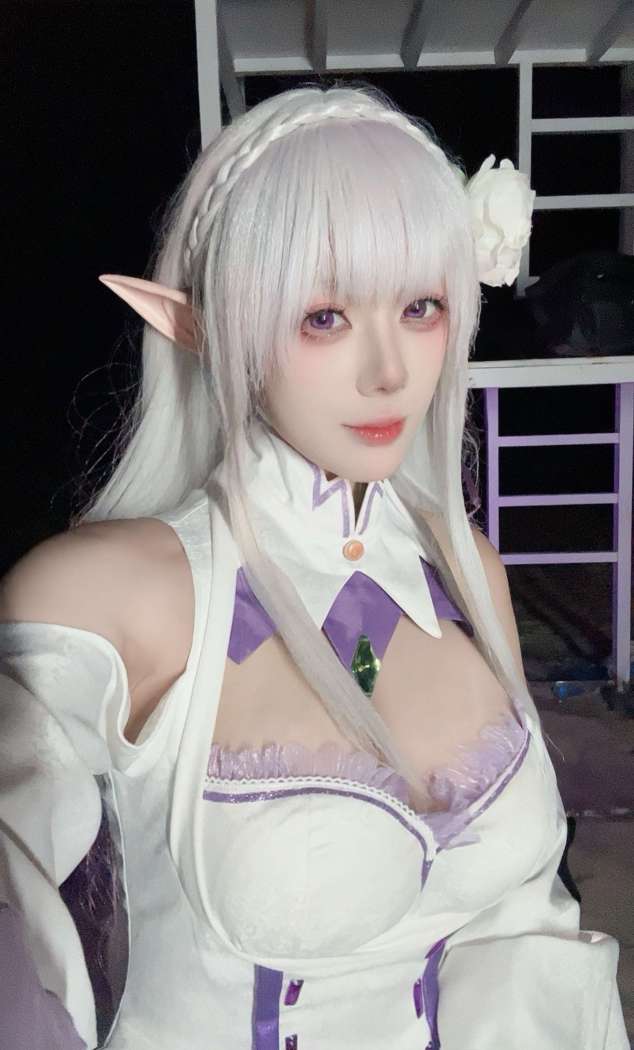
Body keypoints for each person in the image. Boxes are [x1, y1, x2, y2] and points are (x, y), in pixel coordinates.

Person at [0, 83, 628, 1050]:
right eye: (324, 317)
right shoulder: (114, 594)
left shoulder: (467, 571)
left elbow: (527, 936)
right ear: (208, 326)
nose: (391, 371)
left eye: (420, 306)